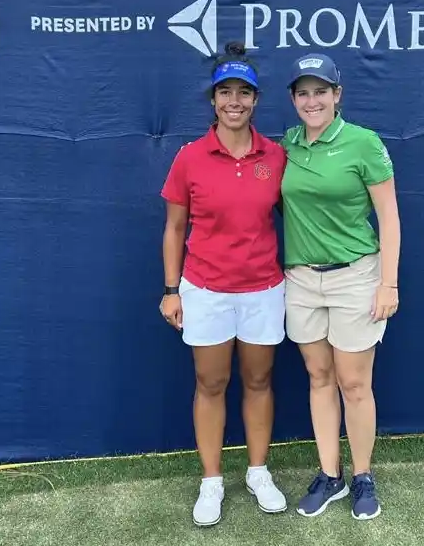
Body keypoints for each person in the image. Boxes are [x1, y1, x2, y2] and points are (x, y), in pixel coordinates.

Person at [159, 41, 288, 527]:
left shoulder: (275, 156)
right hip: (205, 289)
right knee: (211, 383)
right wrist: (172, 290)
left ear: (256, 100)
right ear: (212, 100)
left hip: (262, 289)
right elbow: (174, 227)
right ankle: (211, 480)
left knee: (258, 380)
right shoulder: (191, 157)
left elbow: (295, 214)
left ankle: (258, 472)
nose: (234, 101)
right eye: (225, 92)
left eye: (244, 93)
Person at [280, 52, 401, 522]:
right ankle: (329, 474)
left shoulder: (363, 143)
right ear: (293, 99)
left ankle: (362, 475)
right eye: (303, 92)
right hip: (302, 280)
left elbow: (389, 217)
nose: (312, 101)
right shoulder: (287, 145)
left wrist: (387, 282)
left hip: (355, 276)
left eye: (321, 91)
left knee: (353, 382)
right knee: (319, 377)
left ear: (337, 95)